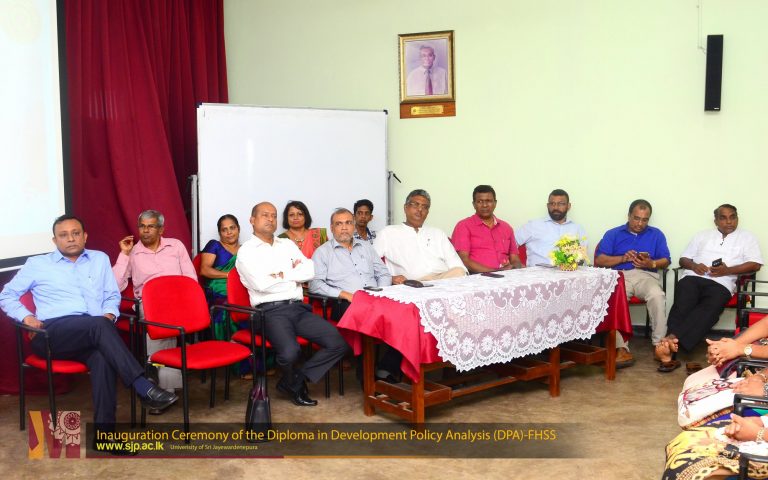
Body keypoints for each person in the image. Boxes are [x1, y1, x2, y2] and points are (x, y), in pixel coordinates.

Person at [0, 215, 177, 449]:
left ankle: (105, 436)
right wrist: (27, 317)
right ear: (54, 240)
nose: (70, 239)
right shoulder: (37, 264)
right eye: (63, 235)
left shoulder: (99, 259)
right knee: (98, 325)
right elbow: (6, 295)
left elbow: (111, 295)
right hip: (52, 334)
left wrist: (110, 315)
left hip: (93, 332)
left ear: (85, 236)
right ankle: (142, 386)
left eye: (76, 233)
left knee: (102, 356)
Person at [236, 202, 349, 406]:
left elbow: (310, 271)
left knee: (338, 342)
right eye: (265, 215)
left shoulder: (286, 244)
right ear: (252, 220)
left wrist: (279, 274)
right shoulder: (246, 251)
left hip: (298, 308)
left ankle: (294, 381)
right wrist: (293, 274)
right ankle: (295, 386)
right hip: (269, 311)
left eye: (273, 215)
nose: (270, 219)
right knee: (290, 352)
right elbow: (261, 284)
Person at [657, 204, 762, 372]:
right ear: (716, 221)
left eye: (732, 217)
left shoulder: (747, 238)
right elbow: (683, 259)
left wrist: (728, 270)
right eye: (723, 218)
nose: (729, 221)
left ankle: (671, 340)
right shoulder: (702, 235)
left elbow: (755, 264)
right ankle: (673, 344)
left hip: (722, 282)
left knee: (710, 307)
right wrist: (694, 265)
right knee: (683, 302)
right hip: (693, 277)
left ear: (737, 218)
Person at [112, 210, 197, 396]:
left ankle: (154, 375)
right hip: (149, 304)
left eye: (150, 226)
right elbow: (114, 285)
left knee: (165, 324)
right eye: (142, 226)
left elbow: (190, 278)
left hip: (178, 300)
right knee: (162, 322)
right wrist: (124, 254)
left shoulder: (176, 246)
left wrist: (187, 300)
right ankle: (166, 385)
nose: (145, 230)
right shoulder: (133, 252)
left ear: (161, 229)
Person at [309, 208, 399, 381]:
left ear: (354, 226)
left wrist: (380, 292)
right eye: (339, 224)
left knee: (405, 315)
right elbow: (315, 285)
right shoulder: (322, 252)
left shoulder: (366, 247)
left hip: (374, 298)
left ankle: (386, 367)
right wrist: (344, 294)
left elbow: (383, 273)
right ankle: (366, 376)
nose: (344, 227)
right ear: (332, 228)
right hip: (345, 303)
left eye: (348, 223)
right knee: (366, 317)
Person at [595, 199, 671, 368]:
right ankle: (621, 348)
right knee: (616, 298)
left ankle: (659, 345)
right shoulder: (613, 234)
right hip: (620, 276)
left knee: (658, 295)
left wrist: (651, 263)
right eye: (636, 218)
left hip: (646, 276)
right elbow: (600, 260)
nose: (640, 223)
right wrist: (623, 258)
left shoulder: (656, 234)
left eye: (645, 220)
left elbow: (666, 260)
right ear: (629, 215)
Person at [374, 189, 467, 284]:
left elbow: (456, 264)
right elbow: (370, 264)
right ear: (405, 208)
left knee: (459, 271)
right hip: (413, 283)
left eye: (425, 207)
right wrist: (391, 278)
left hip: (443, 280)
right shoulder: (387, 233)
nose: (420, 209)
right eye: (415, 205)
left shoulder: (438, 233)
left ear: (428, 212)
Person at [199, 214, 253, 378]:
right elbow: (205, 270)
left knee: (260, 309)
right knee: (230, 310)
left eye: (232, 228)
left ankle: (261, 363)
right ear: (220, 233)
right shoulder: (214, 245)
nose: (229, 232)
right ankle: (241, 366)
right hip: (218, 291)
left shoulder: (246, 249)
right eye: (224, 230)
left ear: (238, 229)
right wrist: (230, 276)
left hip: (241, 289)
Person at [451, 184, 522, 273]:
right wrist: (496, 272)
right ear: (474, 204)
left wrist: (515, 269)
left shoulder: (506, 227)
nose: (484, 205)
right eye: (480, 201)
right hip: (478, 277)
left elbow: (515, 259)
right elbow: (463, 260)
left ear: (495, 203)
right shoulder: (463, 226)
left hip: (507, 275)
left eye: (488, 201)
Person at [516, 189, 588, 267]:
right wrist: (517, 263)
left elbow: (582, 256)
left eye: (561, 204)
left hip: (568, 272)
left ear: (568, 206)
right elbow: (511, 244)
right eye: (552, 204)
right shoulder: (533, 225)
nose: (556, 207)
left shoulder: (577, 229)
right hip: (538, 273)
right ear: (548, 206)